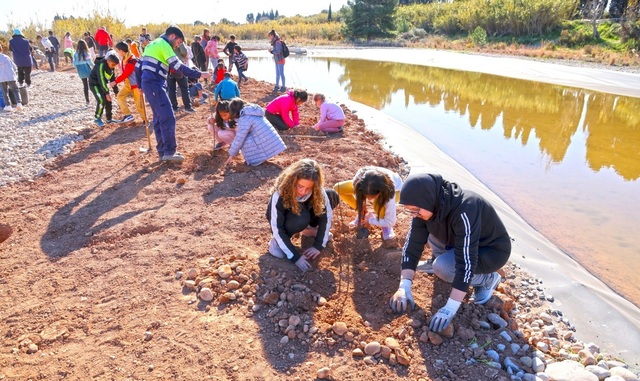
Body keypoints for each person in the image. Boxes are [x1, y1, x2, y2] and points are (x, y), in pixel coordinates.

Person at [389, 173, 511, 334]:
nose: (414, 214)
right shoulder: (428, 204)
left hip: (490, 250)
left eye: (416, 210)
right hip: (460, 241)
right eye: (410, 210)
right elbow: (412, 244)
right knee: (430, 226)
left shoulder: (466, 208)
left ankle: (488, 279)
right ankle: (438, 260)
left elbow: (466, 262)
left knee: (443, 268)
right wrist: (404, 286)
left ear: (428, 198)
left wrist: (450, 308)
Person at [138, 25, 211, 163]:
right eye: (178, 43)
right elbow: (177, 66)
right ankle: (169, 152)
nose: (177, 46)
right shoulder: (164, 44)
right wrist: (200, 74)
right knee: (168, 116)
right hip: (154, 84)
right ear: (172, 36)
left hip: (151, 84)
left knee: (159, 118)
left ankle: (163, 152)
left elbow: (138, 65)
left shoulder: (151, 44)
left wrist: (140, 84)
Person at [266, 159, 339, 271]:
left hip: (304, 214)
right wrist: (295, 257)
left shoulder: (318, 191)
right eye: (300, 186)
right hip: (286, 221)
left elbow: (326, 218)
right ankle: (277, 242)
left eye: (308, 188)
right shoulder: (280, 194)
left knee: (332, 196)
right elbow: (277, 227)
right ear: (292, 181)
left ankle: (309, 230)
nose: (303, 191)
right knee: (300, 219)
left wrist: (319, 245)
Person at [334, 166, 403, 240]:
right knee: (338, 188)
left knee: (378, 205)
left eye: (372, 197)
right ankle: (361, 213)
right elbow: (358, 194)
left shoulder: (389, 190)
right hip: (368, 185)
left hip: (397, 190)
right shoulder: (359, 180)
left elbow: (391, 221)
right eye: (366, 196)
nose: (369, 199)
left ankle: (386, 227)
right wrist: (361, 207)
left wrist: (370, 220)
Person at [216, 98, 286, 166]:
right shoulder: (252, 112)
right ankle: (261, 157)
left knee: (244, 139)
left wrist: (232, 154)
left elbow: (239, 139)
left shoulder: (245, 118)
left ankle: (257, 159)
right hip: (274, 143)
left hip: (266, 143)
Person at [111, 42, 145, 124]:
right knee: (120, 96)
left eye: (117, 51)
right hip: (128, 84)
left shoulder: (131, 60)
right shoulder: (124, 59)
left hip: (136, 85)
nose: (117, 53)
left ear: (121, 51)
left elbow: (126, 74)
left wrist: (115, 82)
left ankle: (145, 120)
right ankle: (127, 115)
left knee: (139, 105)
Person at [89, 54, 119, 126]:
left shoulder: (112, 67)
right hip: (95, 85)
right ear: (108, 61)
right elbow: (101, 79)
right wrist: (107, 93)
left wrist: (116, 91)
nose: (114, 66)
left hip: (103, 85)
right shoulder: (101, 65)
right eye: (113, 65)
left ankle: (109, 119)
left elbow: (112, 79)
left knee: (108, 100)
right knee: (101, 100)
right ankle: (97, 118)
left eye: (115, 65)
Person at [167, 41, 194, 113]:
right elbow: (184, 52)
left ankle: (174, 107)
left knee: (171, 89)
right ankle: (187, 107)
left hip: (168, 67)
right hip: (179, 67)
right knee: (184, 88)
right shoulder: (179, 41)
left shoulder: (165, 42)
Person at [0, 44, 24, 111]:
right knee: (15, 90)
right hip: (10, 76)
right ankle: (19, 103)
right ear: (1, 49)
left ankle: (8, 106)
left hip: (1, 78)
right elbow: (14, 67)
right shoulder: (6, 57)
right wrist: (15, 73)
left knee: (4, 92)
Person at [73, 39, 93, 105]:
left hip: (80, 72)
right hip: (88, 70)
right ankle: (97, 97)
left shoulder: (76, 54)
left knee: (85, 86)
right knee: (92, 85)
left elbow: (74, 64)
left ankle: (87, 101)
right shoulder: (86, 53)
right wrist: (94, 67)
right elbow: (90, 62)